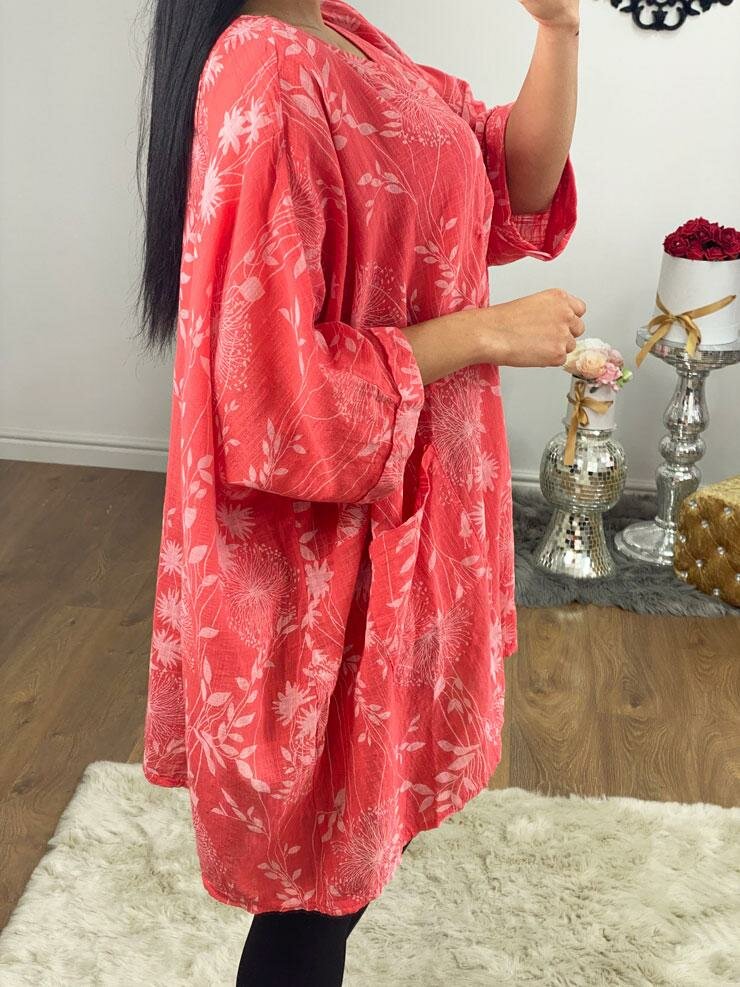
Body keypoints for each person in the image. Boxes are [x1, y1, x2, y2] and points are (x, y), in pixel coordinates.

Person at [136, 0, 584, 983]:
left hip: (413, 513)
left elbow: (507, 176)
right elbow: (270, 392)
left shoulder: (340, 30)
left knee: (352, 863)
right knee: (317, 892)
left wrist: (559, 31)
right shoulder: (268, 66)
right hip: (333, 548)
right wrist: (487, 331)